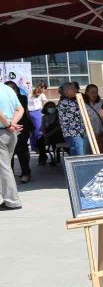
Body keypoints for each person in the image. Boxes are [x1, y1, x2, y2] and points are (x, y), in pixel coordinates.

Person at [0, 81, 24, 210]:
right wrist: (12, 124)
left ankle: (12, 201)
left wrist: (8, 125)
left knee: (4, 169)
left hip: (3, 132)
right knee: (5, 168)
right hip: (10, 133)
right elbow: (20, 109)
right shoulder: (8, 89)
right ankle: (9, 198)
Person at [4, 82, 33, 184]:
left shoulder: (22, 98)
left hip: (20, 128)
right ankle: (10, 175)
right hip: (7, 128)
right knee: (8, 154)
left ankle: (26, 173)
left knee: (22, 151)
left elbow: (20, 111)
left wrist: (11, 124)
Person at [57, 82, 87, 157]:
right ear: (66, 91)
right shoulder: (66, 102)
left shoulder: (71, 101)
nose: (76, 90)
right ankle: (80, 168)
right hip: (73, 133)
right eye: (73, 89)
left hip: (77, 132)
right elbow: (82, 111)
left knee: (77, 153)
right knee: (79, 154)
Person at [37, 101, 61, 166]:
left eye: (53, 106)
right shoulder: (44, 117)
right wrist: (45, 135)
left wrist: (49, 135)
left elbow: (59, 127)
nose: (52, 108)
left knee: (54, 141)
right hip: (47, 134)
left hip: (57, 134)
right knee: (39, 141)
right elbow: (42, 127)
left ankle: (56, 158)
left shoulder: (58, 116)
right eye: (50, 107)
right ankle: (43, 158)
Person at [27, 84, 47, 153]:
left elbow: (45, 104)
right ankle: (35, 147)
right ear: (42, 88)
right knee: (32, 130)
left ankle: (40, 147)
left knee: (38, 130)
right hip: (30, 113)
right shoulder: (30, 94)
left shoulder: (42, 95)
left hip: (38, 112)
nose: (44, 90)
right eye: (44, 88)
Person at [84, 84, 103, 151]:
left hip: (99, 134)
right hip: (87, 135)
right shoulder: (82, 104)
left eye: (96, 92)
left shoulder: (102, 103)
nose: (95, 94)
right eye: (92, 92)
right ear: (87, 92)